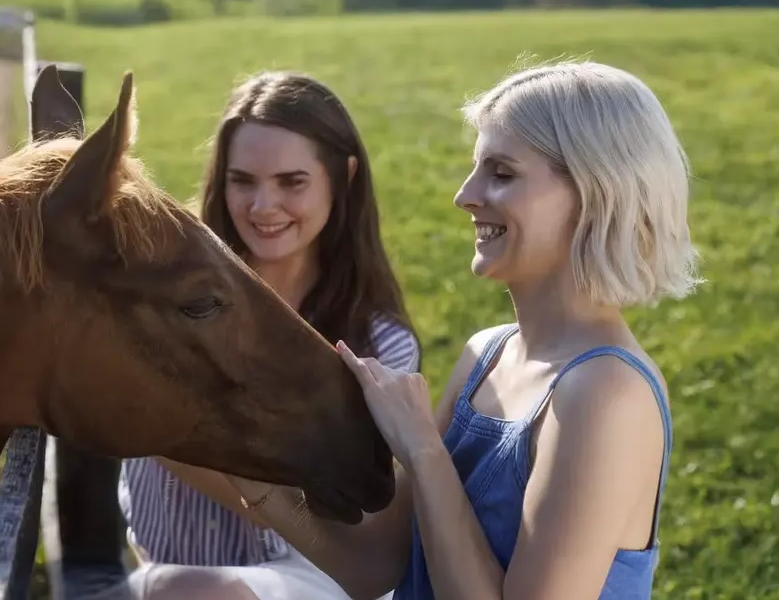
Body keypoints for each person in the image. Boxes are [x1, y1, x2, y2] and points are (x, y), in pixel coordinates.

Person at [176, 58, 700, 600]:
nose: (465, 195)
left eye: (501, 173)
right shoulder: (487, 355)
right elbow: (379, 565)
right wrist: (230, 449)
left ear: (596, 194)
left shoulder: (605, 395)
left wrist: (425, 451)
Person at [116, 70, 421, 600]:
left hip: (294, 579)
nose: (262, 207)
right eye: (243, 180)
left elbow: (337, 520)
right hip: (154, 563)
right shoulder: (164, 286)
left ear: (344, 177)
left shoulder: (379, 344)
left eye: (291, 182)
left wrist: (160, 427)